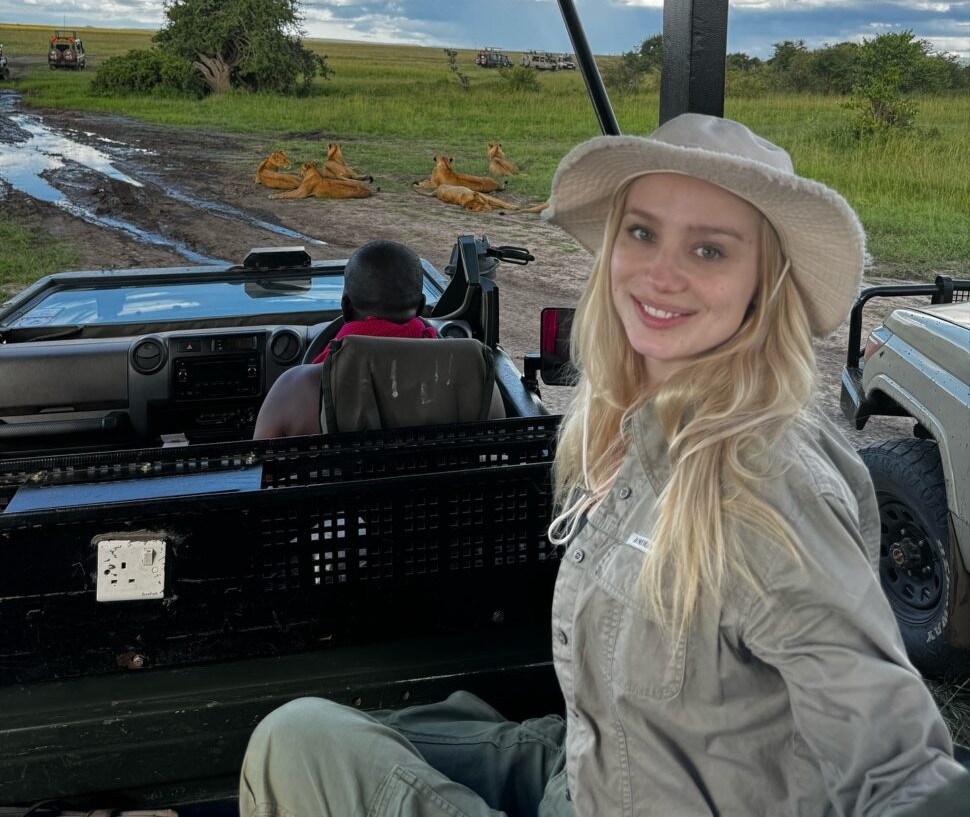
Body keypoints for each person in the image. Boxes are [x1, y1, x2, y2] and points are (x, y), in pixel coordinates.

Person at [239, 115, 966, 815]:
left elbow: (893, 760)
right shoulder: (633, 425)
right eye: (642, 232)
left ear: (762, 288)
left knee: (292, 737)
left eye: (709, 250)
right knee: (413, 724)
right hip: (596, 768)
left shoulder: (763, 480)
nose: (660, 274)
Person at [252, 239, 436, 439]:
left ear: (346, 308)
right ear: (420, 306)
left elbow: (259, 466)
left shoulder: (296, 387)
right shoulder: (462, 373)